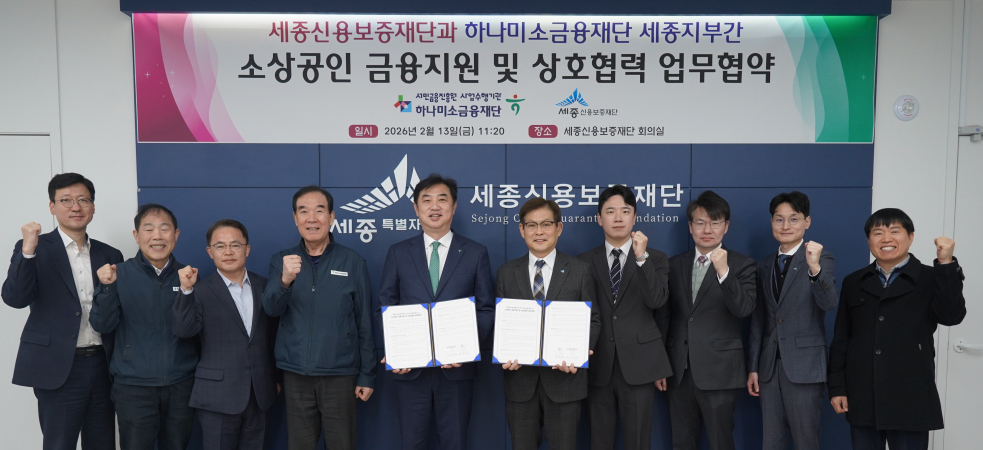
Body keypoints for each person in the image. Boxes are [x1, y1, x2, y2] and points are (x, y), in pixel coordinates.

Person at [2, 173, 124, 450]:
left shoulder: (110, 254)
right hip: (57, 366)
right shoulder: (34, 248)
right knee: (59, 444)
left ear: (93, 206)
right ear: (52, 206)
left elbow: (116, 312)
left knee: (103, 443)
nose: (75, 207)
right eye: (66, 200)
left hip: (103, 366)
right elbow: (15, 298)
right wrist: (28, 250)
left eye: (83, 200)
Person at [828, 208, 965, 450]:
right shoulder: (854, 281)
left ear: (910, 237)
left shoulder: (931, 277)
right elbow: (842, 339)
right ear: (869, 240)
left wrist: (946, 264)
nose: (886, 239)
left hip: (911, 392)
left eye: (894, 231)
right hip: (863, 392)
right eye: (877, 232)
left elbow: (951, 316)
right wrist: (837, 387)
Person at [377, 174, 495, 450]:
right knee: (412, 443)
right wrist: (394, 351)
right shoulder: (398, 252)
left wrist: (465, 349)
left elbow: (485, 308)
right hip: (410, 371)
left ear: (454, 207)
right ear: (416, 208)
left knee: (455, 442)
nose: (434, 206)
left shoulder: (475, 252)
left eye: (442, 199)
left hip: (457, 372)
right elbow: (386, 306)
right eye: (426, 200)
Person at [263, 186, 376, 450]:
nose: (311, 218)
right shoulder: (281, 261)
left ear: (332, 216)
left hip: (341, 374)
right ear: (295, 218)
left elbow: (364, 322)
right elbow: (270, 309)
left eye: (319, 211)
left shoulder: (352, 261)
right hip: (295, 374)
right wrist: (284, 281)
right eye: (304, 211)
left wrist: (367, 375)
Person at [89, 203, 196, 450]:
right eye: (149, 229)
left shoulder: (188, 276)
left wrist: (188, 290)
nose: (157, 236)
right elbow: (102, 324)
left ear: (176, 235)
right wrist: (107, 288)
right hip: (133, 387)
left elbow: (195, 330)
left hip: (181, 384)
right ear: (136, 236)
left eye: (164, 229)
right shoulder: (118, 274)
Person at [495, 197, 600, 450]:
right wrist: (503, 353)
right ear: (522, 230)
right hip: (520, 382)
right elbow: (501, 324)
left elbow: (593, 319)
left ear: (558, 228)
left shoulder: (580, 270)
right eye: (531, 225)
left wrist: (580, 352)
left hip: (565, 382)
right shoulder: (506, 273)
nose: (539, 231)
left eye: (546, 224)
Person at [577, 185, 671, 450]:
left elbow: (658, 302)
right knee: (599, 441)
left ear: (634, 217)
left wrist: (641, 258)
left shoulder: (656, 259)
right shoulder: (583, 262)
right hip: (598, 364)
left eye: (625, 211)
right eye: (610, 211)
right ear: (599, 218)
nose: (618, 218)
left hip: (641, 365)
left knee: (638, 441)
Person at [172, 219, 279, 450]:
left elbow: (274, 337)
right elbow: (184, 330)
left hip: (260, 393)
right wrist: (186, 290)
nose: (228, 252)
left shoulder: (265, 287)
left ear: (247, 249)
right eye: (220, 246)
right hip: (217, 396)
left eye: (235, 245)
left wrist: (276, 378)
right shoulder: (199, 290)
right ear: (210, 252)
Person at [662, 190, 756, 450]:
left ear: (726, 226)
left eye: (715, 223)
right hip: (679, 372)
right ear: (690, 227)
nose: (707, 230)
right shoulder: (674, 265)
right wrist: (661, 366)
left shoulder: (742, 264)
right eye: (700, 222)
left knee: (720, 442)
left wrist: (724, 272)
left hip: (720, 372)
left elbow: (744, 309)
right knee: (682, 442)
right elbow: (666, 317)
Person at [747, 191, 838, 450]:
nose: (786, 226)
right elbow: (759, 320)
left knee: (806, 440)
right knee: (771, 441)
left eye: (794, 219)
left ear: (807, 222)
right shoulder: (764, 265)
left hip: (804, 368)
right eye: (779, 219)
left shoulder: (821, 258)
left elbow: (829, 302)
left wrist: (814, 268)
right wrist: (753, 366)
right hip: (769, 369)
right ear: (772, 222)